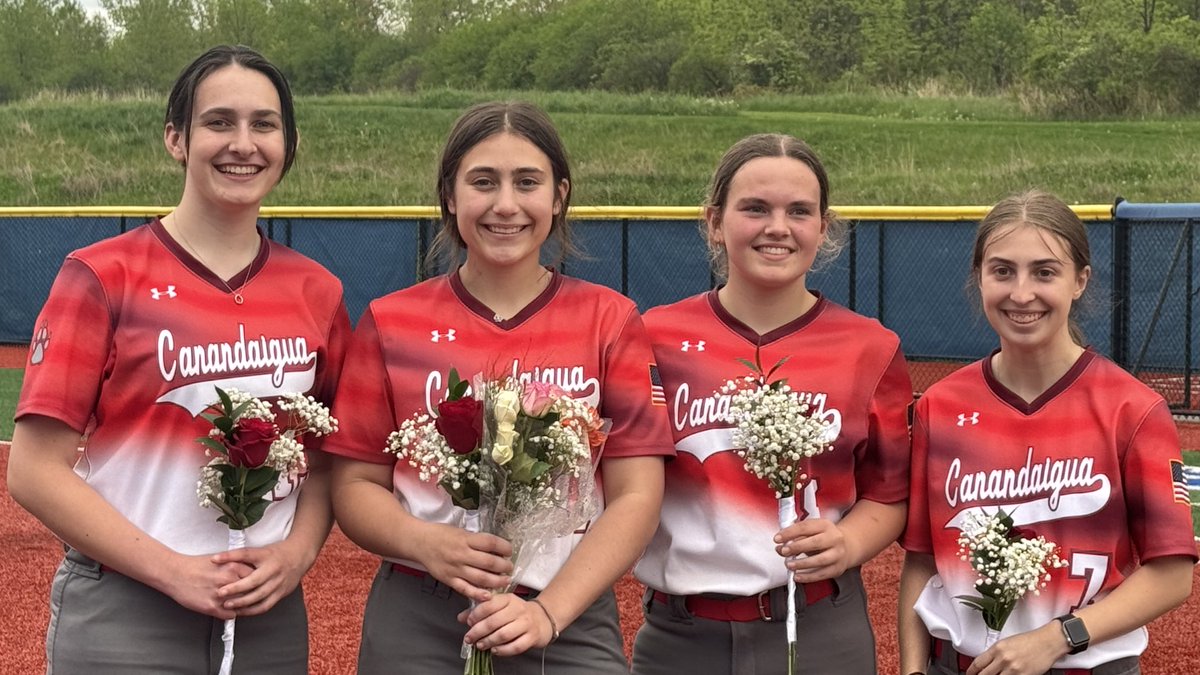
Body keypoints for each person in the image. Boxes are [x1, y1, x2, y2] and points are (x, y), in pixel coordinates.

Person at [7, 45, 350, 673]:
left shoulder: (319, 292)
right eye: (219, 122)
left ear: (288, 144)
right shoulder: (101, 276)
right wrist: (173, 572)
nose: (242, 143)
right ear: (176, 138)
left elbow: (325, 460)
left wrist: (296, 556)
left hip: (265, 620)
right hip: (126, 611)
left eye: (264, 125)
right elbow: (33, 472)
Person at [326, 101, 673, 674]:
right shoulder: (392, 321)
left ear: (559, 196)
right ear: (450, 194)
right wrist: (424, 542)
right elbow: (355, 485)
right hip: (420, 611)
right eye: (483, 182)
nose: (505, 205)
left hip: (568, 613)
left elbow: (637, 495)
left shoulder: (609, 320)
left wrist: (550, 614)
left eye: (527, 182)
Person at [631, 133, 913, 675]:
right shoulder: (653, 336)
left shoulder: (871, 347)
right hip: (679, 637)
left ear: (823, 228)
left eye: (799, 211)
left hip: (818, 630)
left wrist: (848, 541)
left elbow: (890, 494)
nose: (777, 227)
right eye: (755, 208)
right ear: (715, 221)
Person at [898, 190, 1196, 675]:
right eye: (1002, 271)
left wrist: (1059, 637)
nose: (1021, 293)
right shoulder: (938, 407)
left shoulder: (1132, 409)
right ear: (979, 278)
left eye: (1044, 271)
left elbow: (1172, 574)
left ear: (1079, 281)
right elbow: (922, 562)